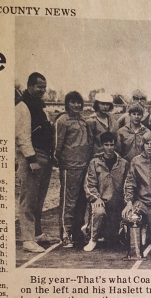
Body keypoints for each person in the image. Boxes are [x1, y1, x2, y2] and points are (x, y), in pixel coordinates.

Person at [16, 72, 59, 253]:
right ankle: (27, 239)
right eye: (40, 86)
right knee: (29, 200)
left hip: (45, 157)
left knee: (39, 199)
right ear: (30, 86)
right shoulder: (23, 106)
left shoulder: (39, 107)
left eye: (44, 87)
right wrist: (31, 159)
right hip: (32, 158)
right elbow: (22, 136)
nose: (43, 90)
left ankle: (37, 234)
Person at [54, 91, 92, 247]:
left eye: (79, 102)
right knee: (68, 202)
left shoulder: (83, 121)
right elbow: (57, 145)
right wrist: (61, 161)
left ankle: (77, 232)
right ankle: (65, 234)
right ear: (67, 103)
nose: (76, 105)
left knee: (81, 202)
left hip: (84, 166)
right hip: (69, 167)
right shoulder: (62, 120)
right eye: (73, 102)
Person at [83, 132, 129, 251]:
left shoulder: (123, 163)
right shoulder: (95, 162)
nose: (109, 148)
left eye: (111, 145)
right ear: (102, 145)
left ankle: (111, 232)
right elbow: (89, 185)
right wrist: (96, 198)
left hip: (117, 206)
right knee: (98, 211)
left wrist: (128, 202)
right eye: (106, 145)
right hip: (101, 203)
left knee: (113, 239)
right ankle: (92, 239)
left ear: (115, 145)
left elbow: (128, 185)